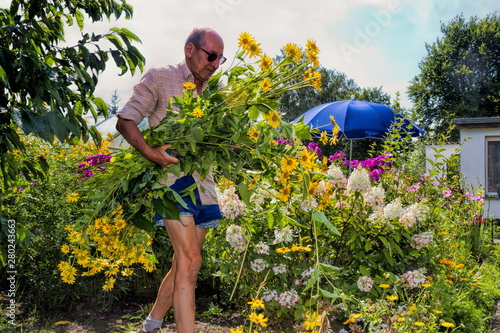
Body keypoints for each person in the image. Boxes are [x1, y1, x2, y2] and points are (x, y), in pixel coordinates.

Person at [115, 27, 227, 333]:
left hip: (204, 185)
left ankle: (151, 323)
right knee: (191, 262)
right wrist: (152, 153)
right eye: (211, 56)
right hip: (171, 183)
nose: (215, 64)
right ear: (190, 50)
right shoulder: (161, 77)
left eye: (220, 59)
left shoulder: (215, 92)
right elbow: (126, 120)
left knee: (183, 263)